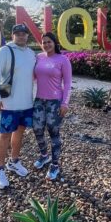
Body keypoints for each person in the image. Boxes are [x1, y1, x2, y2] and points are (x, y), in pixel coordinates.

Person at [0, 23, 37, 189]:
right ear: (13, 35)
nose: (21, 36)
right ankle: (0, 169)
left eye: (24, 33)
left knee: (20, 132)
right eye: (17, 33)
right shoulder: (5, 51)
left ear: (27, 36)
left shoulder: (31, 53)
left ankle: (14, 161)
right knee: (4, 135)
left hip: (26, 103)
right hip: (8, 103)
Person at [32, 32, 72, 181]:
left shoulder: (63, 60)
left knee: (53, 133)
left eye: (49, 42)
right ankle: (44, 155)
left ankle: (55, 165)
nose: (46, 44)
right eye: (44, 42)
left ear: (54, 42)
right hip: (38, 100)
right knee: (37, 129)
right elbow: (33, 76)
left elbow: (68, 83)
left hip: (54, 102)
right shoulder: (38, 58)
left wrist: (65, 103)